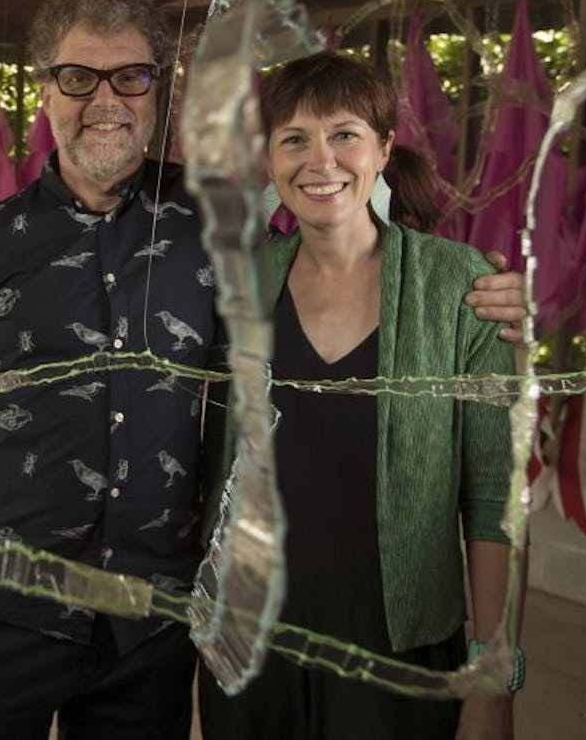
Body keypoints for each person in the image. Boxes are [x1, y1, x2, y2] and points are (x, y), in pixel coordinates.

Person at [0, 0, 526, 740]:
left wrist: (488, 289)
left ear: (158, 92)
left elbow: (349, 225)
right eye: (79, 77)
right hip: (2, 612)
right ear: (44, 87)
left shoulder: (213, 231)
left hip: (150, 630)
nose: (106, 98)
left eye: (131, 76)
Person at [197, 51, 523, 740]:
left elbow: (495, 501)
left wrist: (493, 677)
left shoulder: (459, 288)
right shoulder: (240, 288)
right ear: (270, 161)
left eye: (344, 133)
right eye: (294, 139)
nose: (321, 160)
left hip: (398, 651)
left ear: (382, 148)